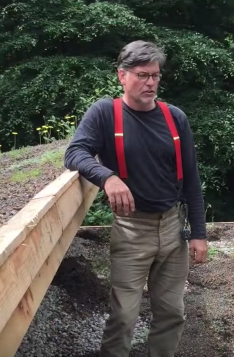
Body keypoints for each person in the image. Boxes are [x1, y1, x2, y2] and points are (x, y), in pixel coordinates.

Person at [63, 40, 208, 357]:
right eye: (143, 75)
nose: (151, 82)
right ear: (122, 76)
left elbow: (192, 179)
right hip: (131, 230)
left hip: (173, 228)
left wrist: (198, 233)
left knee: (172, 313)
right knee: (124, 317)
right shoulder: (105, 113)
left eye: (155, 75)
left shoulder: (175, 118)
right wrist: (107, 177)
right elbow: (74, 153)